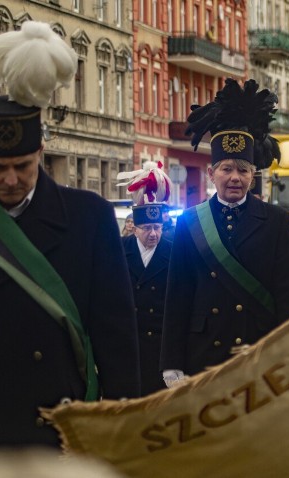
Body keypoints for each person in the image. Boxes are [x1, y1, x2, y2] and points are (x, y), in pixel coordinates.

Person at [0, 22, 139, 447]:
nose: (10, 179)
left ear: (40, 154)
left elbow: (116, 338)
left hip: (59, 435)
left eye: (23, 166)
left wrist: (121, 431)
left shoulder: (90, 219)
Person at [160, 78, 289, 387]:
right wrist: (171, 363)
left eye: (243, 169)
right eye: (226, 169)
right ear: (212, 173)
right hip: (203, 356)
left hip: (260, 353)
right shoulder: (189, 222)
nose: (234, 177)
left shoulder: (277, 220)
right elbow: (177, 298)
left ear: (254, 175)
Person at [117, 162, 174, 395]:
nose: (153, 234)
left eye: (158, 227)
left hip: (161, 347)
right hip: (129, 346)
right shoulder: (119, 250)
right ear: (135, 228)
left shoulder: (173, 252)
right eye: (148, 228)